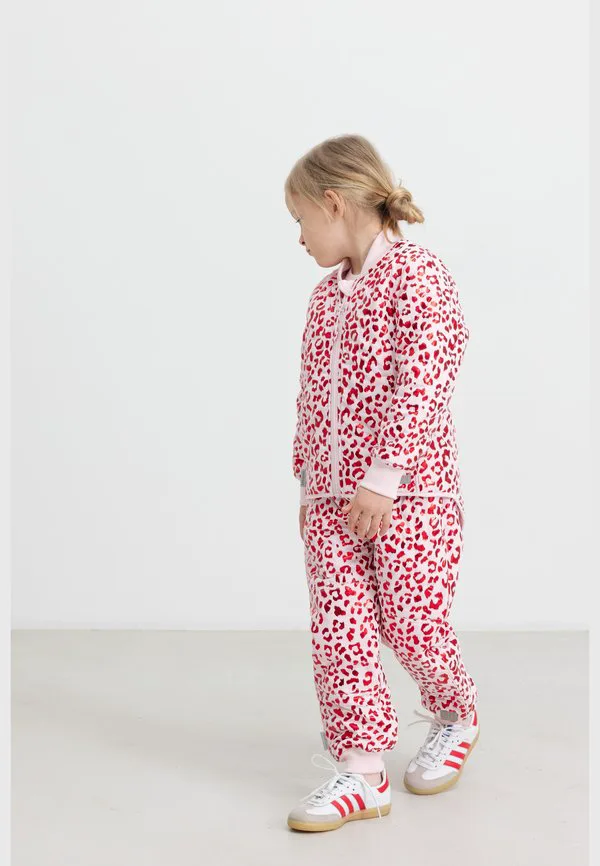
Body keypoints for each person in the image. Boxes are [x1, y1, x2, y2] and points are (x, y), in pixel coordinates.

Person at [284, 134, 479, 833]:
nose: (299, 238)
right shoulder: (323, 298)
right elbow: (311, 396)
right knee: (339, 629)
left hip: (412, 497)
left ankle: (455, 712)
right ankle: (363, 771)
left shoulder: (418, 277)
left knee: (410, 622)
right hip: (331, 500)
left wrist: (384, 476)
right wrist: (308, 484)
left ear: (334, 203)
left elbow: (424, 380)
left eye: (301, 220)